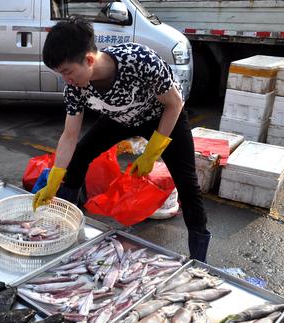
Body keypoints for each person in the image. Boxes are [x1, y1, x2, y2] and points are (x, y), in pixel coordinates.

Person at [34, 19, 211, 261]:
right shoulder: (75, 87)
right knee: (79, 157)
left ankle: (200, 259)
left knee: (188, 184)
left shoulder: (139, 60)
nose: (67, 80)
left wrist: (152, 152)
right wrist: (55, 178)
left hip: (161, 115)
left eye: (68, 72)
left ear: (88, 59)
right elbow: (70, 134)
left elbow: (175, 103)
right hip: (119, 118)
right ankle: (66, 230)